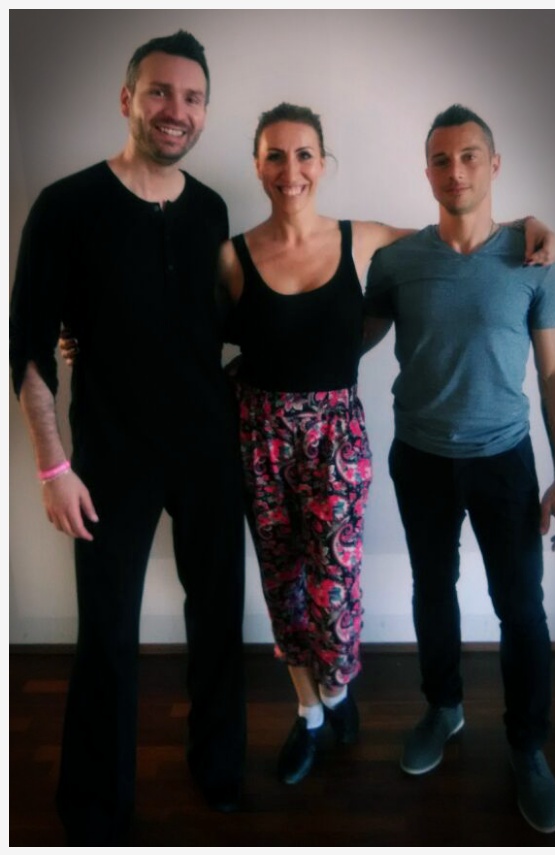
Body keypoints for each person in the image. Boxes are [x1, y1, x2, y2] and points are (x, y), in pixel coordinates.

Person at [213, 102, 555, 788]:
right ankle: (356, 710)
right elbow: (197, 337)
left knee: (361, 591)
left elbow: (551, 365)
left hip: (413, 448)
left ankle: (504, 740)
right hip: (313, 444)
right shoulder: (248, 257)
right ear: (257, 164)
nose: (290, 169)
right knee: (317, 585)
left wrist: (530, 222)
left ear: (323, 163)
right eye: (275, 154)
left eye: (303, 154)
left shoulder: (389, 242)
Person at [9, 31, 247, 845]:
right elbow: (27, 348)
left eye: (192, 97)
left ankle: (219, 768)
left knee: (218, 617)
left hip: (208, 446)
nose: (176, 110)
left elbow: (213, 323)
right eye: (159, 92)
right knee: (107, 633)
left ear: (205, 111)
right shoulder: (66, 205)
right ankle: (94, 809)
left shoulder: (211, 209)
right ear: (127, 99)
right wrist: (53, 467)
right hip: (110, 453)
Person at [363, 104, 555, 834]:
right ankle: (443, 707)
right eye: (441, 159)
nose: (455, 170)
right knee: (433, 588)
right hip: (419, 457)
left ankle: (528, 747)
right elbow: (341, 342)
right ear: (426, 171)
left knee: (521, 608)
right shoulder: (397, 262)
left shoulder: (535, 257)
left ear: (493, 164)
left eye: (469, 156)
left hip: (503, 460)